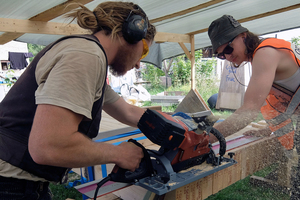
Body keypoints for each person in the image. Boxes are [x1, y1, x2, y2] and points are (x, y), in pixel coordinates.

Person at [0, 1, 156, 199]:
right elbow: (48, 146)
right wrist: (119, 154)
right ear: (132, 33)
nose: (139, 64)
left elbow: (127, 111)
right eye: (143, 51)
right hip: (9, 186)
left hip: (17, 182)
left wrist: (175, 121)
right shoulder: (85, 56)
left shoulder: (88, 53)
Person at [208, 15, 300, 199]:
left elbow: (249, 110)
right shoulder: (262, 54)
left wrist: (207, 138)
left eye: (228, 48)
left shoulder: (265, 52)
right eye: (221, 54)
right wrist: (270, 129)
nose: (227, 56)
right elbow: (283, 103)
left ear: (243, 35)